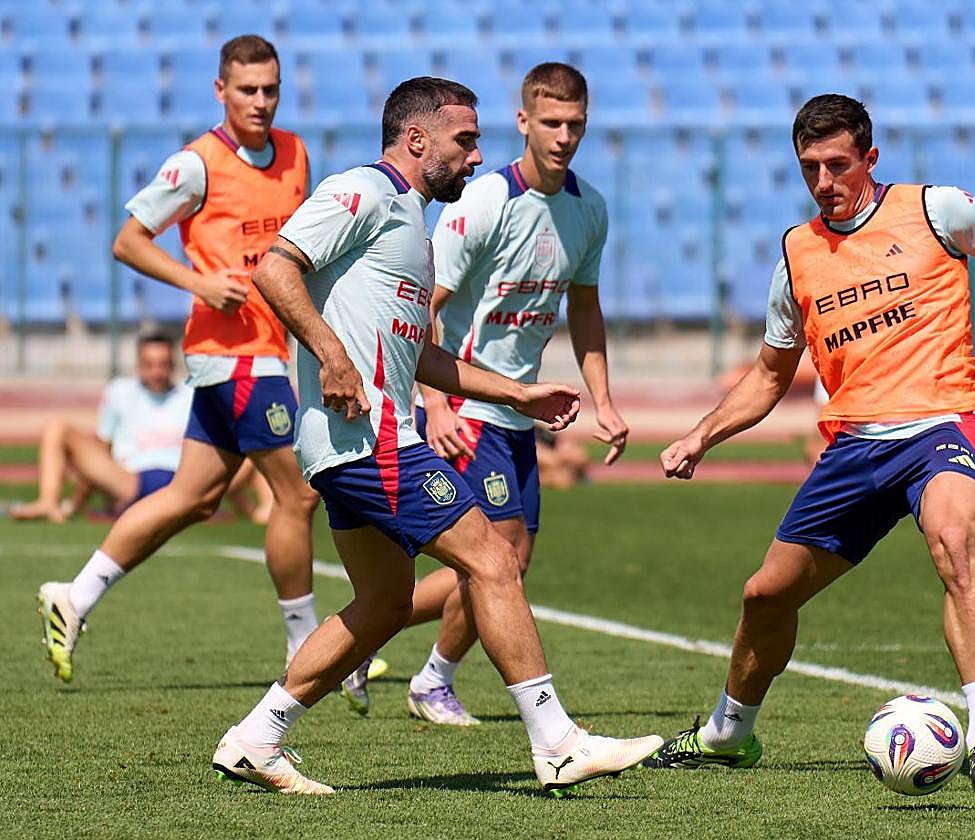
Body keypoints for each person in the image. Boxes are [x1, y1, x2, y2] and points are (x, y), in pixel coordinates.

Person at [641, 94, 975, 793]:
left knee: (954, 541)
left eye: (837, 164)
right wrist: (700, 436)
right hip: (856, 446)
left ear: (870, 158)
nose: (823, 181)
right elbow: (770, 375)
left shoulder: (936, 210)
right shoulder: (797, 254)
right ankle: (727, 734)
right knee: (765, 596)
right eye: (809, 169)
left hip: (944, 424)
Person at [210, 76, 661, 795]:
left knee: (386, 603)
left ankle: (256, 740)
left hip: (356, 444)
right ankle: (557, 741)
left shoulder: (413, 225)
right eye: (465, 140)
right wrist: (330, 354)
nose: (478, 156)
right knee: (494, 560)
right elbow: (274, 267)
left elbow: (417, 353)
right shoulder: (362, 190)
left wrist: (519, 393)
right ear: (417, 140)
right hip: (374, 440)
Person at [36, 36, 322, 684]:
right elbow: (128, 241)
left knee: (191, 498)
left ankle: (73, 597)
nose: (260, 101)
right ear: (221, 91)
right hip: (231, 353)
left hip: (267, 350)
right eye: (246, 89)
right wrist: (198, 283)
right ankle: (306, 650)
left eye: (269, 89)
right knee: (298, 495)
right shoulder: (198, 164)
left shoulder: (297, 153)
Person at [399, 62, 624, 726]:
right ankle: (434, 681)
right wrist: (435, 403)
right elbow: (423, 304)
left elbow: (585, 308)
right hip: (465, 403)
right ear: (523, 121)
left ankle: (374, 632)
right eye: (550, 122)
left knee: (506, 562)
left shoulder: (589, 209)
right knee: (499, 557)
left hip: (517, 414)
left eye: (575, 124)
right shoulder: (484, 202)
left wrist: (603, 400)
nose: (563, 136)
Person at [10, 333, 191, 523]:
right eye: (149, 364)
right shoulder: (119, 392)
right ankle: (47, 502)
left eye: (163, 364)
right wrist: (76, 502)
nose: (156, 372)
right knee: (58, 428)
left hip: (181, 481)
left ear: (173, 364)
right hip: (128, 481)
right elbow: (102, 450)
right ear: (138, 364)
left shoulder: (190, 395)